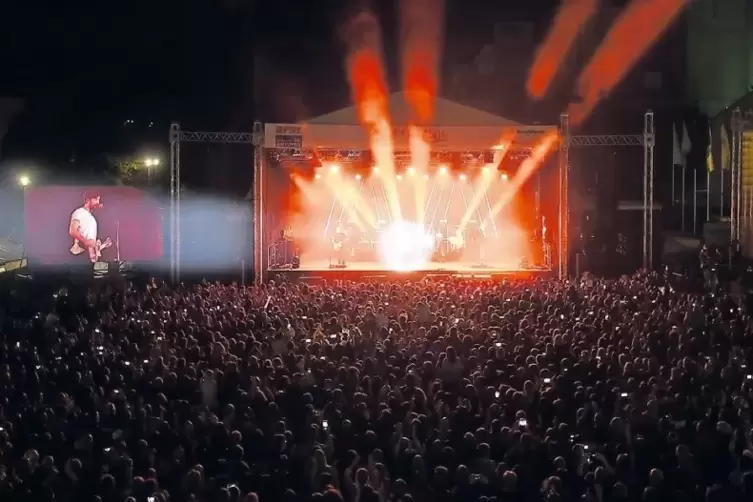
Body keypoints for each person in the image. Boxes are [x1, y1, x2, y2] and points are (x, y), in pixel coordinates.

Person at [69, 189, 110, 264]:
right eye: (95, 199)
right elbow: (72, 230)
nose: (98, 202)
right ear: (87, 200)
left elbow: (91, 244)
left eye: (98, 200)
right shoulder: (79, 212)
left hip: (88, 257)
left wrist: (103, 245)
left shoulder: (92, 218)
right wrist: (85, 241)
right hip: (80, 256)